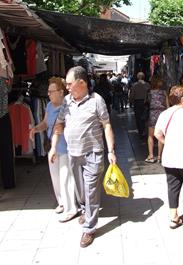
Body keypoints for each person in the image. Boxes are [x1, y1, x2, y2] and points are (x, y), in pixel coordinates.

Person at [49, 66, 117, 248]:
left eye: (70, 84)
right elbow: (59, 123)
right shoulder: (66, 101)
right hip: (73, 153)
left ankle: (89, 228)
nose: (67, 87)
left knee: (91, 190)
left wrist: (111, 150)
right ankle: (86, 211)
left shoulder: (97, 101)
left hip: (93, 153)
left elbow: (106, 125)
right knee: (80, 191)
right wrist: (53, 146)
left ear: (82, 83)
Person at [29, 77, 77, 222]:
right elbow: (45, 123)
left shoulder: (68, 106)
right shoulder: (49, 105)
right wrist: (35, 129)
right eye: (48, 91)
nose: (48, 94)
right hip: (54, 148)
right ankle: (62, 203)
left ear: (61, 92)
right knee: (55, 178)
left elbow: (63, 127)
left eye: (51, 91)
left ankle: (71, 209)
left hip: (66, 148)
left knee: (65, 178)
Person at [154, 85, 183, 229]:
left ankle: (174, 217)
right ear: (182, 99)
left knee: (173, 187)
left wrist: (168, 142)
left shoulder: (164, 114)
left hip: (169, 157)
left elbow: (157, 134)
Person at [145, 76, 168, 163]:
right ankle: (159, 156)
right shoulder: (164, 92)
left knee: (150, 135)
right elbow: (167, 104)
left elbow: (146, 102)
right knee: (160, 135)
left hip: (152, 113)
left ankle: (151, 155)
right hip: (162, 113)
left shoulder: (150, 92)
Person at [129, 72, 150, 138]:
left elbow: (132, 95)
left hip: (137, 102)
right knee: (144, 117)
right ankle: (143, 130)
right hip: (145, 102)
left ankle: (140, 131)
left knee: (138, 117)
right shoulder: (148, 84)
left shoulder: (134, 85)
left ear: (137, 77)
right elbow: (149, 94)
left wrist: (131, 101)